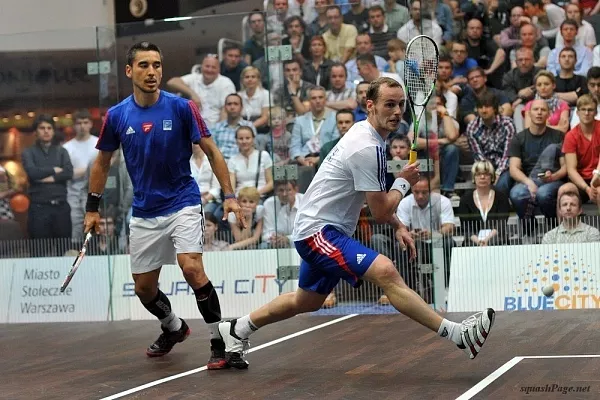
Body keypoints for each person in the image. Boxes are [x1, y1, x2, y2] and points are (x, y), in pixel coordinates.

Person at [218, 77, 496, 369]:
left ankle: (237, 329)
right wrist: (403, 184)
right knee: (386, 271)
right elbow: (378, 210)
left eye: (401, 105)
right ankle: (457, 334)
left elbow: (378, 202)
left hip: (320, 230)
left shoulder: (369, 137)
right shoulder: (366, 147)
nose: (397, 111)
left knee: (307, 301)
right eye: (389, 104)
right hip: (318, 232)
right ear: (370, 106)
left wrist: (399, 224)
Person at [84, 42, 245, 369]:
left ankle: (218, 339)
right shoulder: (116, 116)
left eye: (157, 65)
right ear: (130, 71)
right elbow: (102, 163)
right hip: (144, 211)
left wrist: (229, 194)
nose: (152, 72)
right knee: (144, 289)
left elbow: (213, 152)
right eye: (143, 65)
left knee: (192, 268)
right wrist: (92, 207)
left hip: (183, 201)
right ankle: (173, 327)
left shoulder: (183, 108)